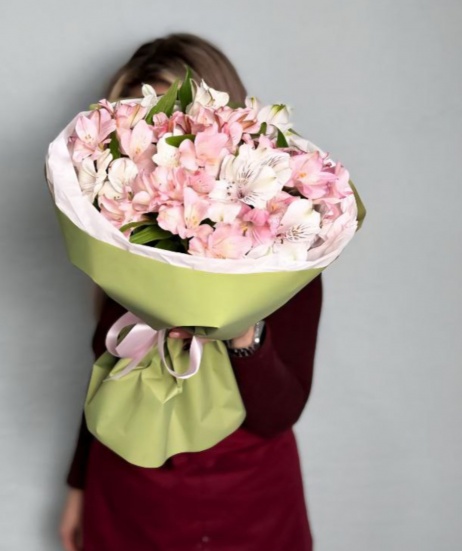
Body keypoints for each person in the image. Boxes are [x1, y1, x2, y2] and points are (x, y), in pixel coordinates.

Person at [59, 33, 323, 551]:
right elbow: (107, 377)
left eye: (170, 124)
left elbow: (279, 412)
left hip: (249, 504)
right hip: (129, 498)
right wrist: (78, 485)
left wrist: (242, 331)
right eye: (137, 125)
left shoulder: (286, 243)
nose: (156, 149)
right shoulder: (123, 237)